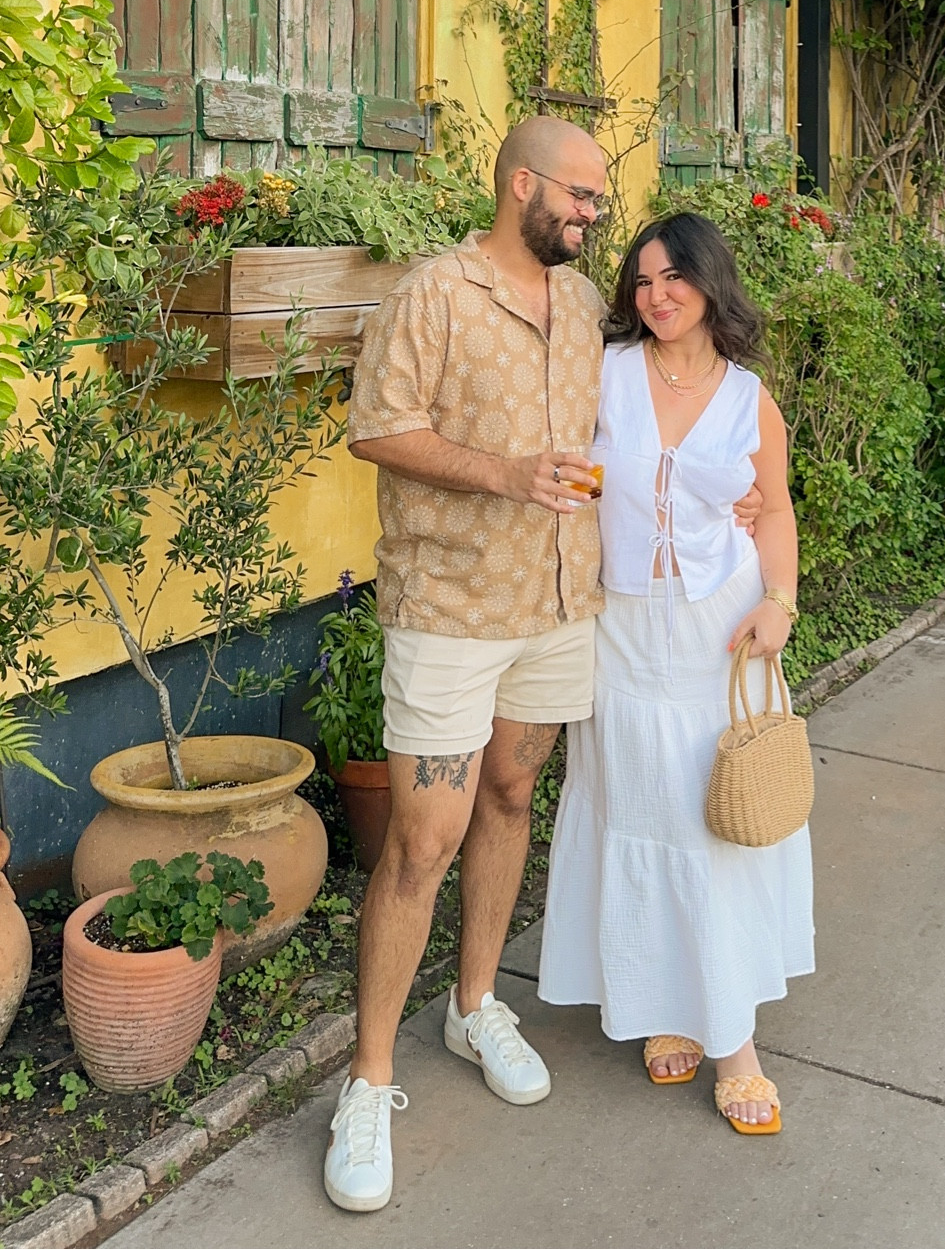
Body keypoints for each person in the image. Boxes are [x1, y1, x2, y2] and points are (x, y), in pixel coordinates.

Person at [326, 115, 610, 1212]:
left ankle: (475, 1004)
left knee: (508, 793)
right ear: (522, 184)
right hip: (447, 609)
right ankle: (369, 1081)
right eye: (581, 196)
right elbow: (375, 429)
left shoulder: (583, 306)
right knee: (421, 840)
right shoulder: (433, 294)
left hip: (555, 600)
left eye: (598, 199)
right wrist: (502, 474)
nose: (593, 214)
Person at [538, 210, 813, 1134]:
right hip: (621, 628)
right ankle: (661, 1002)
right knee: (638, 808)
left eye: (673, 278)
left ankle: (734, 1042)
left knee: (715, 820)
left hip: (717, 633)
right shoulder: (605, 373)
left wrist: (778, 599)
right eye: (643, 281)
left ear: (708, 283)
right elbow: (570, 474)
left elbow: (772, 509)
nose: (656, 295)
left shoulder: (747, 396)